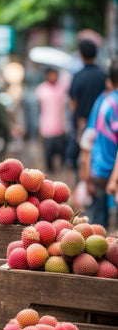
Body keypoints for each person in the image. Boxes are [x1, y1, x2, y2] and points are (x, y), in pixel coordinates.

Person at [84, 59, 118, 229]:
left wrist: (86, 169)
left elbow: (89, 137)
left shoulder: (104, 101)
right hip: (112, 171)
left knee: (99, 222)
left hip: (100, 168)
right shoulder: (112, 102)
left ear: (110, 80)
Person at [65, 39, 107, 170]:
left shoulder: (78, 76)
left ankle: (81, 183)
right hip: (102, 124)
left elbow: (73, 102)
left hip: (82, 124)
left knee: (80, 157)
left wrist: (75, 120)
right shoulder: (104, 75)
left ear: (81, 55)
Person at [35, 67, 70, 174]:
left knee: (63, 157)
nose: (53, 77)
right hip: (47, 129)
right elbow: (38, 110)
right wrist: (39, 128)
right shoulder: (41, 90)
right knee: (49, 158)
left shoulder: (63, 88)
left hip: (61, 128)